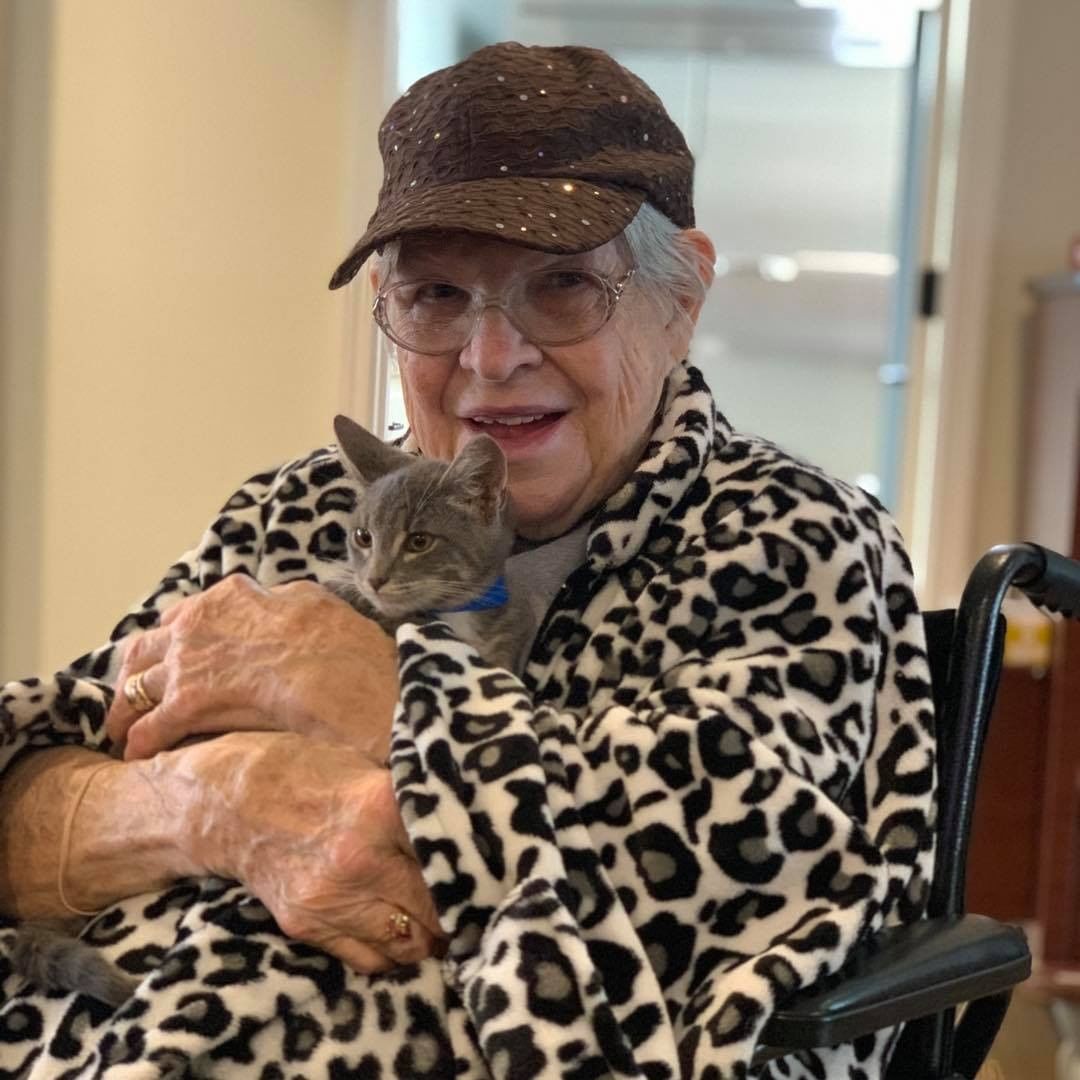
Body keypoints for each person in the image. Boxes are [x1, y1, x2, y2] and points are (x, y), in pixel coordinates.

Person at [0, 42, 935, 1079]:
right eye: (437, 296)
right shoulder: (296, 513)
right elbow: (38, 764)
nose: (492, 359)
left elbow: (733, 858)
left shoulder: (790, 534)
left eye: (565, 285)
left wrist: (383, 697)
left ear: (684, 298)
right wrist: (216, 801)